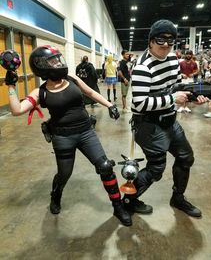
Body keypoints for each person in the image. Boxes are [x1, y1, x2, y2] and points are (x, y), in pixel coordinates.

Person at [3, 45, 132, 227]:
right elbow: (17, 110)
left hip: (86, 132)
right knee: (64, 174)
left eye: (58, 58)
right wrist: (11, 86)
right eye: (53, 60)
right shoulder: (41, 92)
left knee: (105, 167)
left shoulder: (71, 79)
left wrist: (110, 105)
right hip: (62, 138)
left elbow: (90, 92)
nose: (58, 62)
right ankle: (56, 195)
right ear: (42, 66)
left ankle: (118, 206)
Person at [122, 19, 208, 218]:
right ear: (151, 41)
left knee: (186, 158)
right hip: (149, 126)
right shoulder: (143, 67)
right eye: (161, 40)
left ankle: (177, 198)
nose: (166, 45)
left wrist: (193, 98)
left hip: (170, 121)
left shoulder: (172, 60)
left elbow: (178, 87)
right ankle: (127, 201)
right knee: (156, 169)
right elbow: (140, 103)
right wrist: (172, 98)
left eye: (171, 41)